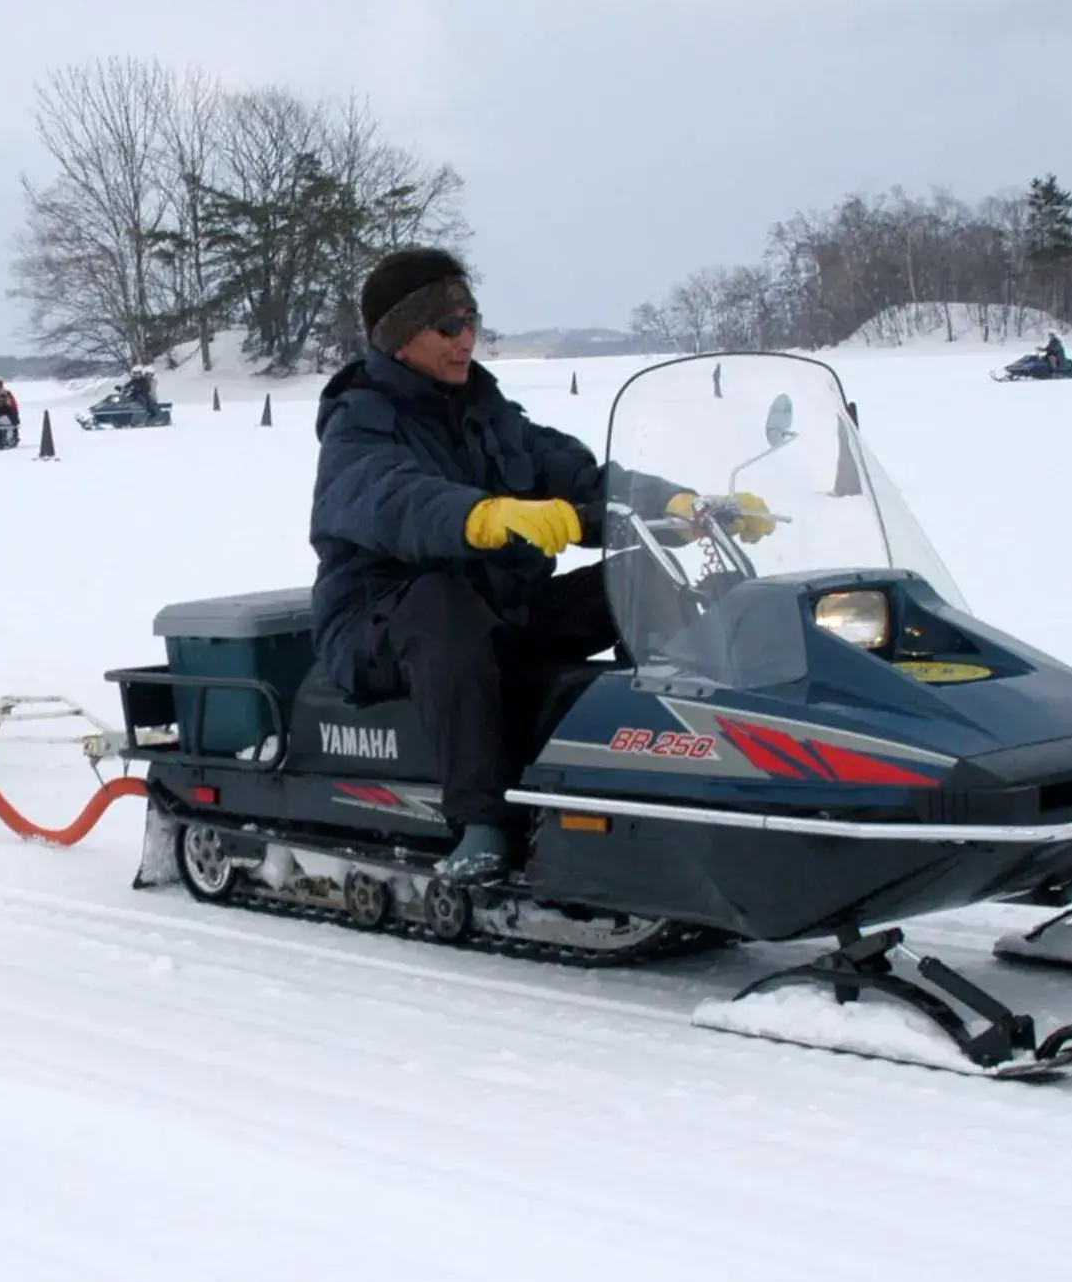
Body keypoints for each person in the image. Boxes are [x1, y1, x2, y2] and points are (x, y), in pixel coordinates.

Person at [309, 247, 772, 882]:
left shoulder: (485, 411)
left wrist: (676, 501)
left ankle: (693, 755)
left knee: (635, 577)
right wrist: (482, 515)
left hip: (498, 610)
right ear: (399, 337)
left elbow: (577, 474)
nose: (465, 338)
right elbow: (386, 496)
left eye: (471, 320)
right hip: (380, 624)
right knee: (440, 603)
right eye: (448, 327)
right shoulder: (358, 422)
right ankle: (480, 822)